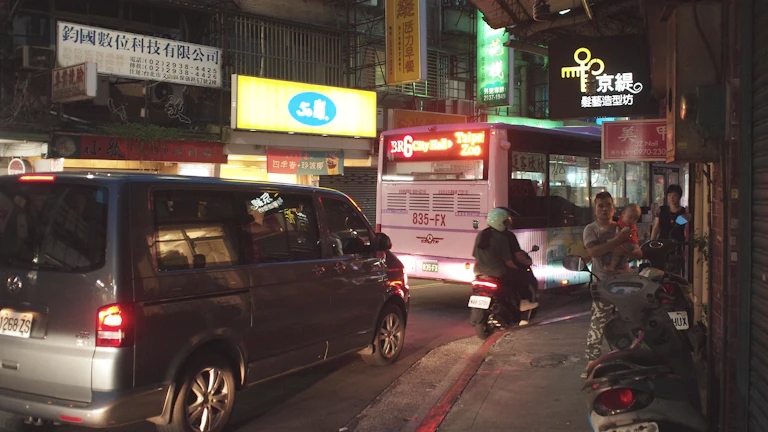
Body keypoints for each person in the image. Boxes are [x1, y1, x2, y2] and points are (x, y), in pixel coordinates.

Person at [581, 192, 643, 378]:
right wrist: (617, 241)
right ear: (595, 209)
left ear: (614, 208)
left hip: (624, 283)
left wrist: (624, 250)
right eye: (601, 206)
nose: (605, 209)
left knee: (629, 324)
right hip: (603, 285)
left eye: (608, 205)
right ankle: (592, 364)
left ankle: (628, 360)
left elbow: (638, 253)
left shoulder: (623, 226)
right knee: (598, 325)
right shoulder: (591, 229)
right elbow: (593, 251)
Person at [472, 207, 539, 314]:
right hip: (498, 272)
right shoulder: (502, 237)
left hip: (478, 271)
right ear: (501, 222)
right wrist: (518, 268)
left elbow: (475, 255)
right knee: (522, 276)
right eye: (507, 220)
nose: (509, 222)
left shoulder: (481, 234)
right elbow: (509, 262)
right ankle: (524, 302)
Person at [604, 203, 642, 272]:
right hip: (631, 243)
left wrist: (612, 241)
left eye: (635, 219)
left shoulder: (628, 226)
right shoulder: (620, 222)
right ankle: (622, 267)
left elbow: (621, 235)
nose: (632, 221)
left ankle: (613, 266)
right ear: (623, 213)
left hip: (630, 243)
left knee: (618, 253)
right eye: (630, 217)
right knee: (622, 255)